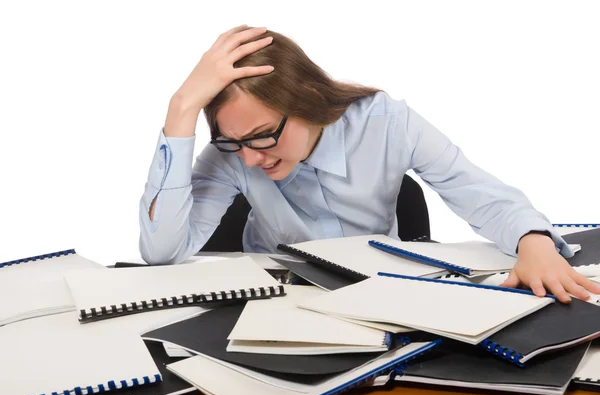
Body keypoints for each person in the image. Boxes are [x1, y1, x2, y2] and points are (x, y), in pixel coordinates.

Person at [138, 25, 598, 304]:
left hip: (382, 295)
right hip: (278, 299)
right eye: (236, 143)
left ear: (310, 99)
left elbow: (475, 190)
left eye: (263, 136)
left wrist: (532, 240)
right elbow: (161, 252)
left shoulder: (387, 122)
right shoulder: (231, 152)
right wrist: (180, 109)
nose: (253, 158)